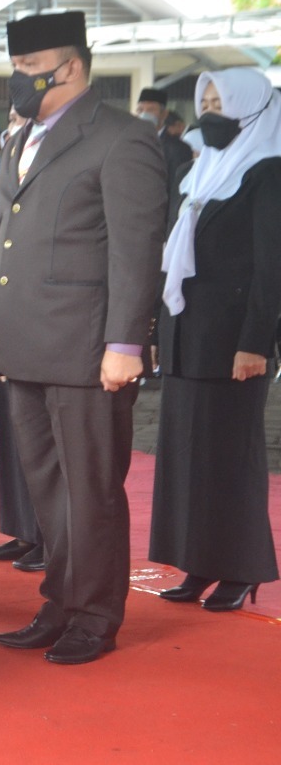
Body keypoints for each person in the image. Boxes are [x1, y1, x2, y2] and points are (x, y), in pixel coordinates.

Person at [0, 11, 166, 665]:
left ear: (72, 68)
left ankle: (96, 612)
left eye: (31, 71)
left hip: (88, 349)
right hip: (25, 343)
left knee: (90, 486)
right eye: (17, 71)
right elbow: (3, 242)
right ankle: (62, 597)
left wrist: (125, 342)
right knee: (46, 486)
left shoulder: (121, 139)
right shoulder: (19, 139)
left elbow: (136, 252)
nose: (21, 83)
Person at [150, 67, 281, 612]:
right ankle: (198, 562)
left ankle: (241, 568)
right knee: (189, 459)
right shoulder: (199, 168)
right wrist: (160, 331)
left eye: (220, 102)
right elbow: (172, 261)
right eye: (203, 101)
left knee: (231, 458)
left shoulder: (268, 172)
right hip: (189, 339)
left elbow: (271, 267)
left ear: (250, 108)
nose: (210, 113)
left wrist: (255, 341)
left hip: (233, 345)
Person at [136, 87, 193, 189]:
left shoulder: (178, 148)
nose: (144, 115)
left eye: (151, 110)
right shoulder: (131, 143)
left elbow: (176, 189)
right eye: (140, 110)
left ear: (164, 114)